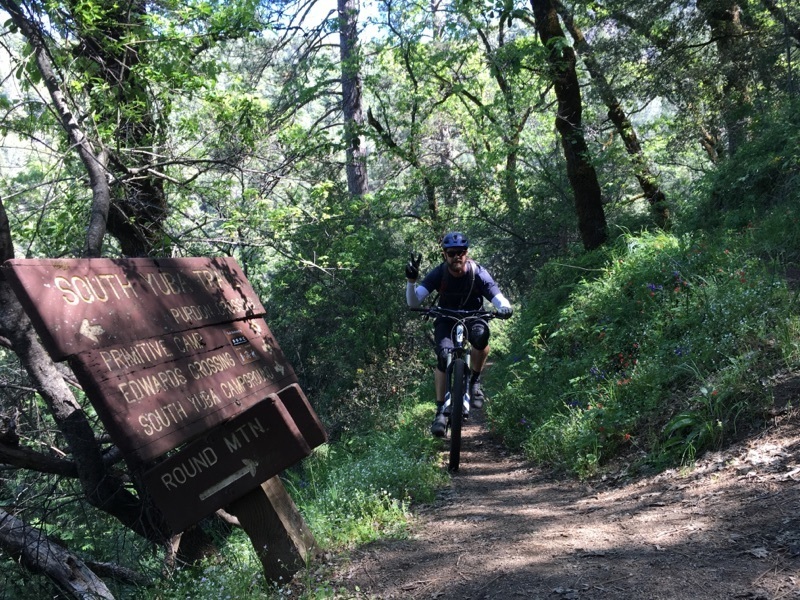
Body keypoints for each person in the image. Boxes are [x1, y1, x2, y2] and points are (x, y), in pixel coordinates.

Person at [405, 231, 513, 437]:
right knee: (443, 355)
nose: (457, 256)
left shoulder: (478, 273)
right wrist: (411, 281)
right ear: (445, 254)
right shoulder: (439, 273)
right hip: (446, 318)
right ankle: (439, 411)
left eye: (461, 252)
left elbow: (497, 296)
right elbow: (413, 302)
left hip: (474, 316)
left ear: (467, 253)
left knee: (481, 338)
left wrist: (505, 306)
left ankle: (475, 380)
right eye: (452, 252)